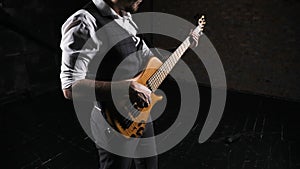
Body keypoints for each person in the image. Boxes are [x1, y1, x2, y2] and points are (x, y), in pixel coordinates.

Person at [59, 0, 200, 168]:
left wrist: (184, 46)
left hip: (140, 114)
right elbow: (70, 87)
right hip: (113, 123)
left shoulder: (125, 17)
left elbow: (151, 60)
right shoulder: (85, 21)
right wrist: (127, 88)